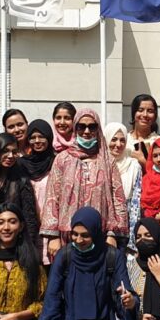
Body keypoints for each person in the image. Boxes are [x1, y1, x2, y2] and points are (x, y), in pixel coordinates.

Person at [40, 108, 129, 257]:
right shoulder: (62, 159)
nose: (87, 131)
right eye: (81, 126)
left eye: (92, 127)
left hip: (100, 237)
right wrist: (53, 236)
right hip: (68, 237)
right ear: (75, 128)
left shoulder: (108, 161)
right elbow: (52, 198)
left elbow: (118, 200)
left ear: (98, 129)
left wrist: (113, 234)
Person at [0, 133, 41, 248]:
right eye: (5, 151)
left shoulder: (21, 180)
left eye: (14, 152)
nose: (10, 156)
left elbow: (29, 217)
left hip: (14, 241)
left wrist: (29, 247)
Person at [22, 119, 57, 260]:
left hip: (52, 231)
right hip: (28, 228)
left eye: (41, 136)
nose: (37, 141)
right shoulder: (21, 164)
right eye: (32, 137)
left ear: (49, 137)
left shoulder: (57, 162)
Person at [105, 123, 143, 249]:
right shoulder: (99, 164)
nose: (118, 144)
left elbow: (136, 203)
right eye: (114, 139)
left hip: (124, 229)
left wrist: (132, 239)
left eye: (122, 140)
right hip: (102, 227)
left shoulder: (133, 166)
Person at [127, 93, 159, 164]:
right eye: (140, 110)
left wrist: (143, 160)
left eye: (150, 111)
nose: (145, 115)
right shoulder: (124, 140)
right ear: (134, 113)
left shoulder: (159, 142)